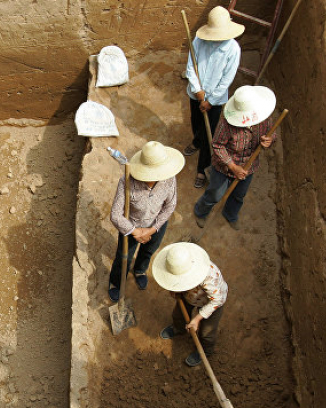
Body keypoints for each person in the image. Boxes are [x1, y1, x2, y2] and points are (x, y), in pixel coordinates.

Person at [108, 141, 184, 300]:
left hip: (156, 225)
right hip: (131, 227)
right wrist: (135, 231)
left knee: (149, 250)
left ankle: (140, 270)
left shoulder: (169, 178)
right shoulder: (127, 182)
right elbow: (115, 214)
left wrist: (151, 230)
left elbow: (170, 206)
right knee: (124, 257)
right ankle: (116, 282)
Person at [194, 85, 277, 230]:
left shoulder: (265, 118)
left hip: (248, 167)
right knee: (215, 194)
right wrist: (232, 166)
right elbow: (217, 145)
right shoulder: (226, 124)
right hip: (224, 168)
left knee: (239, 195)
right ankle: (200, 212)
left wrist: (268, 140)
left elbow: (271, 134)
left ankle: (230, 214)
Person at [183, 6, 244, 189]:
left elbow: (227, 80)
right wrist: (197, 91)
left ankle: (202, 168)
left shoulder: (233, 49)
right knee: (196, 122)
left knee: (211, 133)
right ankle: (196, 141)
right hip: (196, 94)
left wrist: (210, 101)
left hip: (215, 100)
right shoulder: (199, 40)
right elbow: (190, 67)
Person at [153, 242, 227, 367]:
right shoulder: (176, 263)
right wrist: (175, 290)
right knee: (178, 315)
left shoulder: (210, 277)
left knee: (206, 332)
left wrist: (197, 319)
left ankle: (205, 351)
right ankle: (178, 328)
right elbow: (171, 280)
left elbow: (217, 300)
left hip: (211, 302)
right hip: (189, 295)